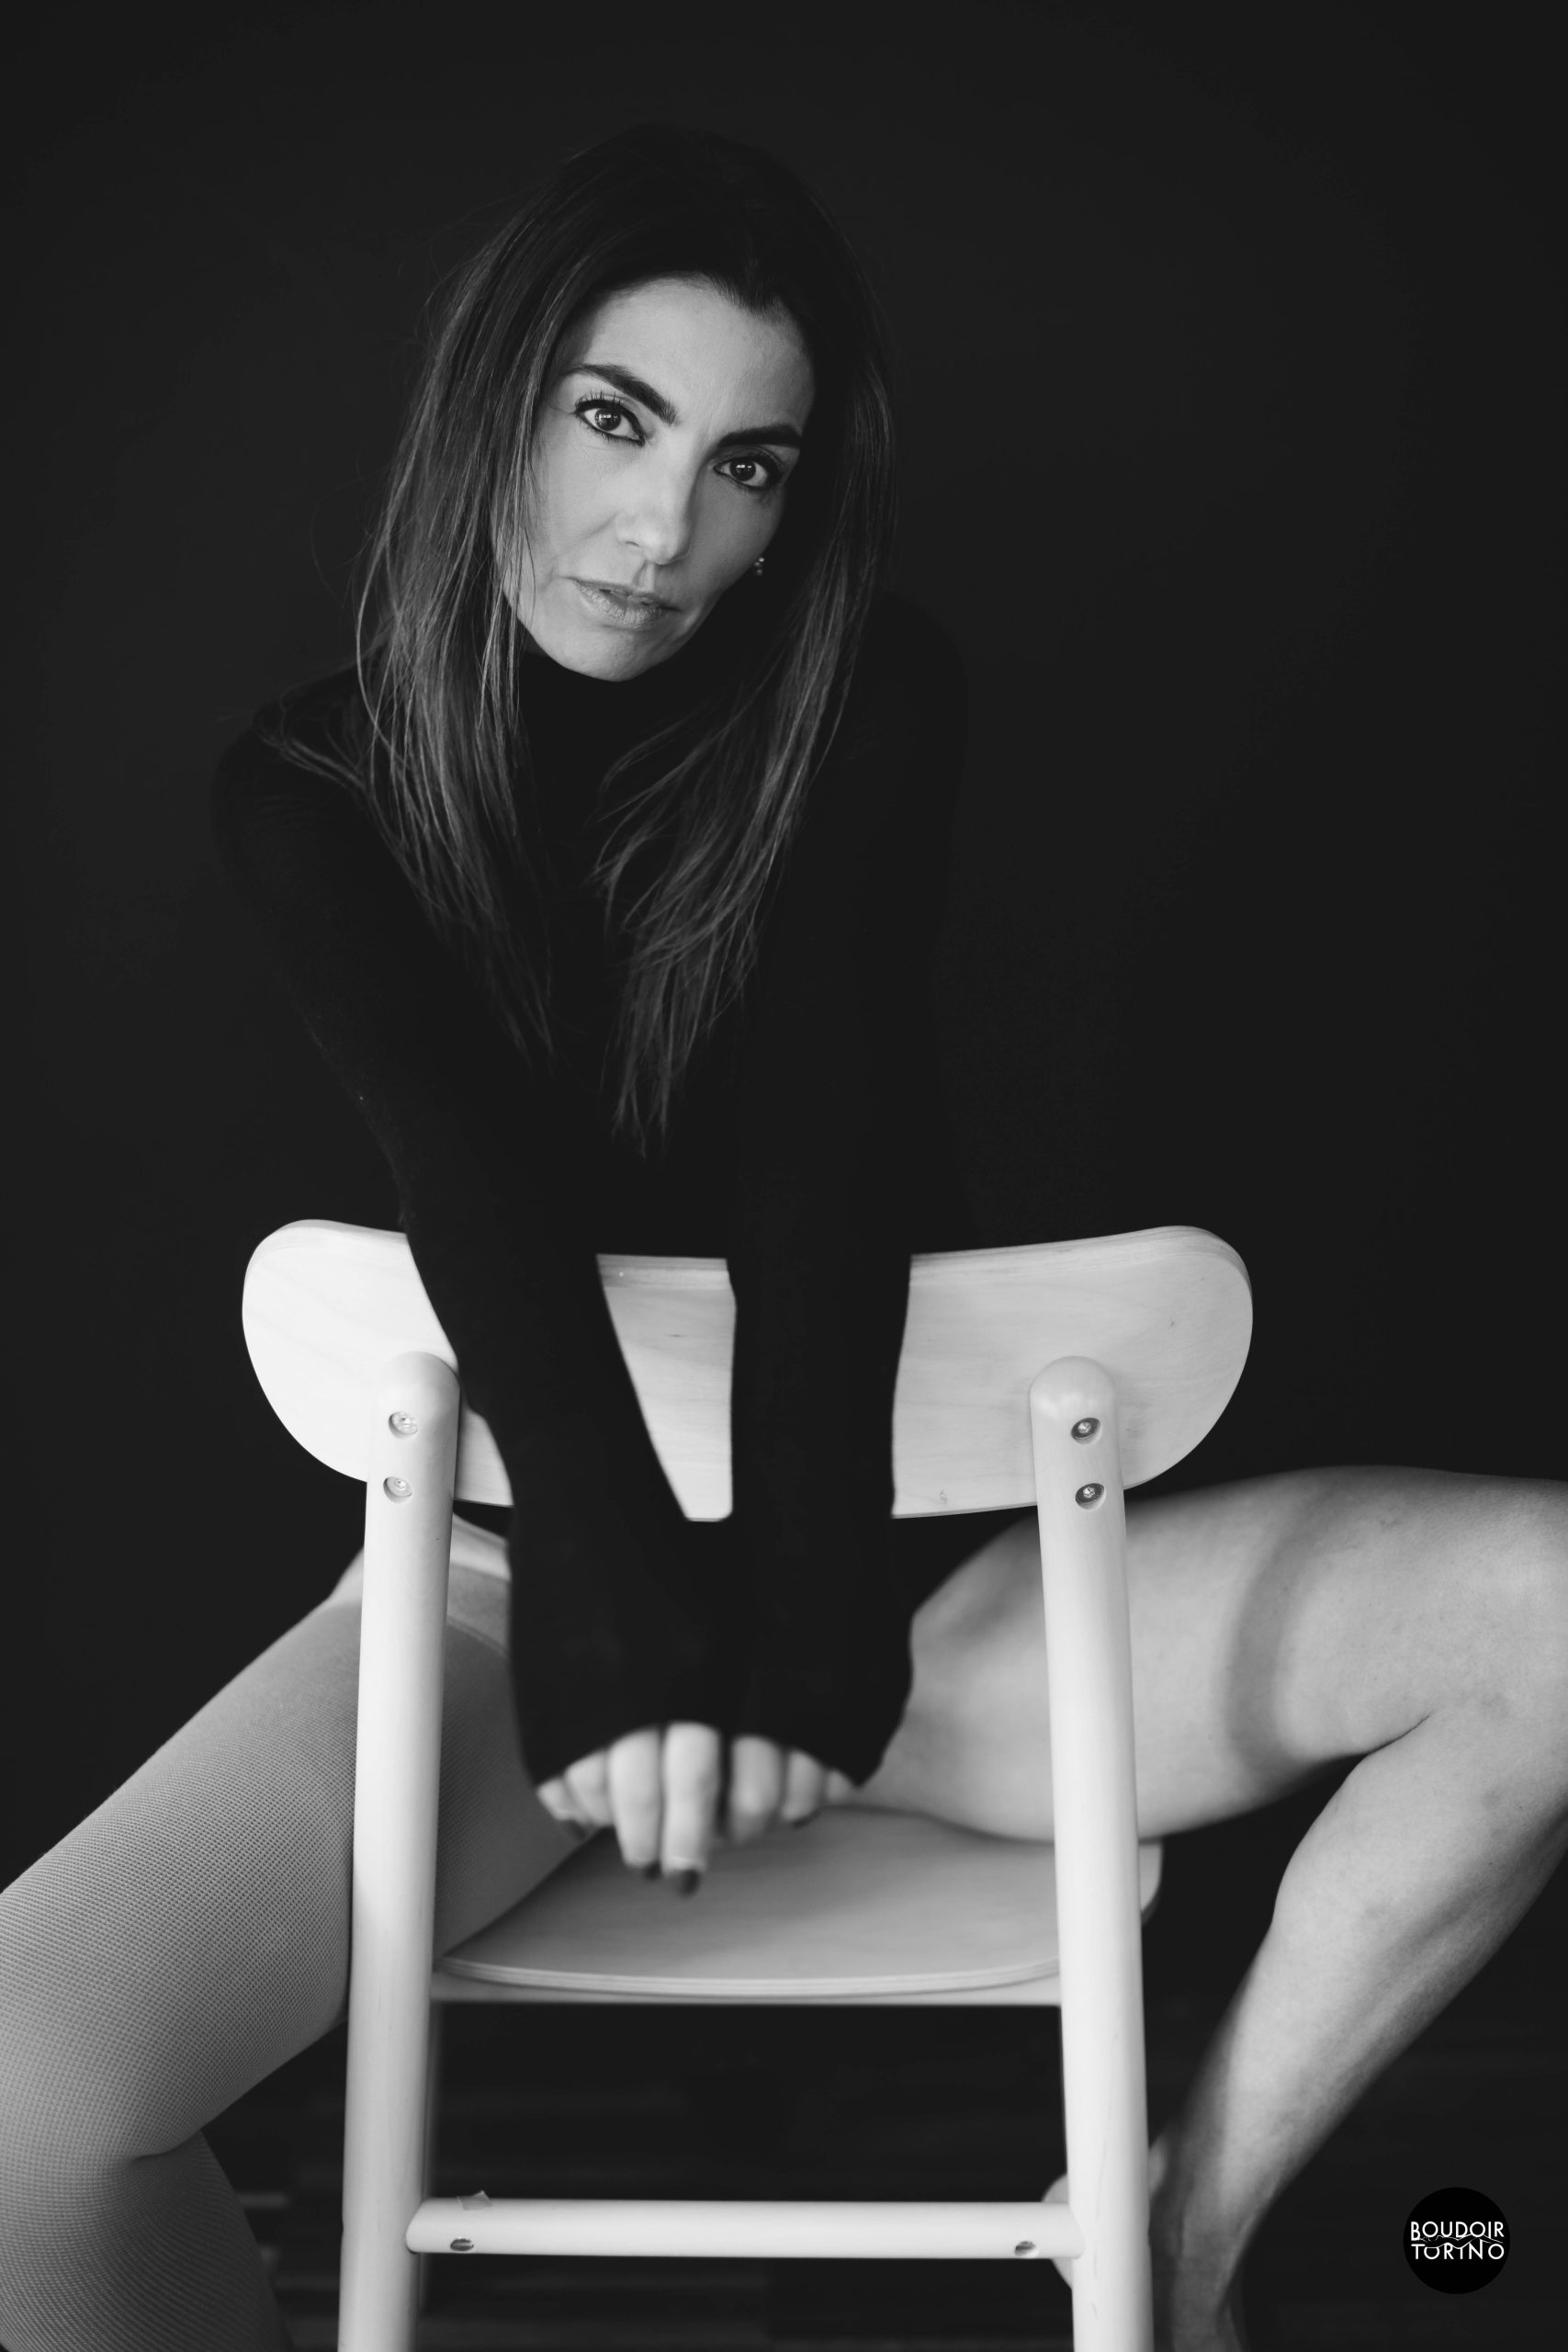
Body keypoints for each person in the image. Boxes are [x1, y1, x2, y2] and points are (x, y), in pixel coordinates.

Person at [0, 119, 1563, 2352]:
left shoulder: (863, 694)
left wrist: (814, 1618)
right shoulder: (308, 790)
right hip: (519, 1598)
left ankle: (1176, 2234)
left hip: (940, 1610)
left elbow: (815, 1152)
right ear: (495, 410)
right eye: (613, 421)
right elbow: (471, 1178)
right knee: (23, 2088)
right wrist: (609, 1622)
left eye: (747, 465)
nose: (664, 529)